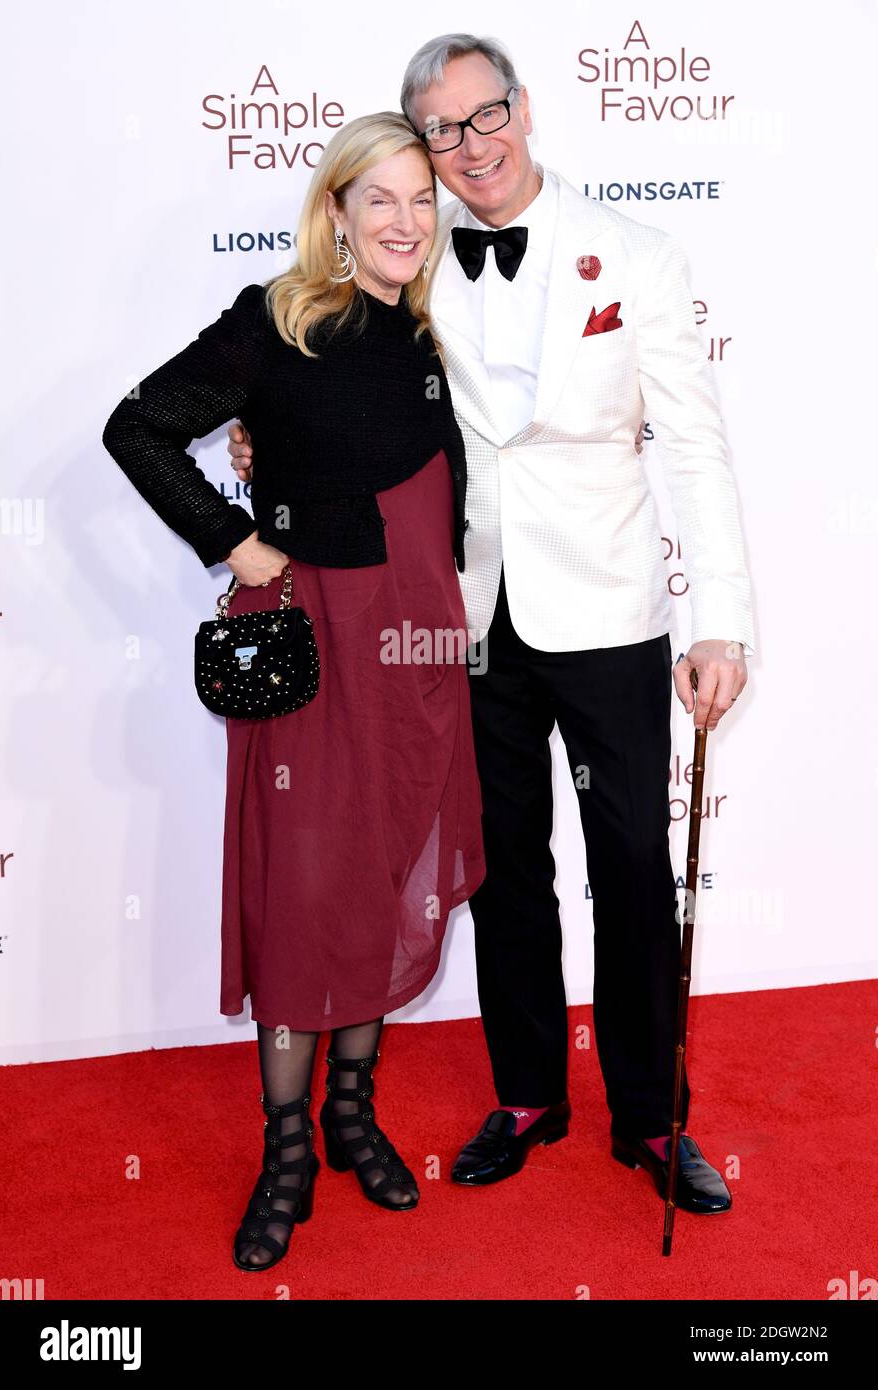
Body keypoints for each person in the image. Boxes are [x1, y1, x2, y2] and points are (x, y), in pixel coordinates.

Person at [229, 34, 754, 1217]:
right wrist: (264, 443)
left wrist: (721, 617)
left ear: (525, 108)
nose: (471, 146)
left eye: (487, 115)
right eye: (442, 129)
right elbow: (326, 377)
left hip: (612, 603)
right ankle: (526, 1094)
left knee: (631, 862)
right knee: (505, 863)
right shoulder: (404, 263)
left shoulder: (640, 255)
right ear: (419, 145)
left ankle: (654, 1119)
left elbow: (697, 449)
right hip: (457, 614)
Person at [101, 111, 486, 1271]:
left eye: (423, 199)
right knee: (302, 883)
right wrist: (236, 538)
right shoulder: (275, 319)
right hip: (313, 647)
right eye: (380, 199)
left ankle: (349, 1116)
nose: (406, 221)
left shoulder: (430, 331)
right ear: (336, 211)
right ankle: (282, 1150)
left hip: (415, 648)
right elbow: (139, 425)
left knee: (373, 872)